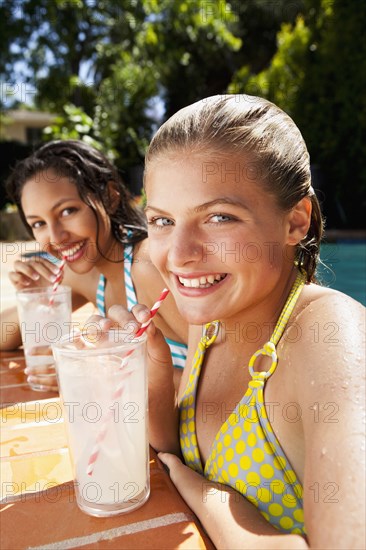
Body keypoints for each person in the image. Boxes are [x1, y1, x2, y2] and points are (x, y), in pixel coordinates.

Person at [100, 95, 365, 548]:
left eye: (219, 217)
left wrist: (213, 499)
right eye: (162, 220)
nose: (179, 255)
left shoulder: (327, 334)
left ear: (295, 222)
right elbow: (179, 455)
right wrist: (156, 375)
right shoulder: (214, 318)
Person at [1, 139, 187, 390]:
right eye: (38, 224)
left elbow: (220, 377)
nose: (55, 237)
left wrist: (91, 373)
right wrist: (34, 298)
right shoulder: (86, 274)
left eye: (67, 211)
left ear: (109, 197)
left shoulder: (148, 266)